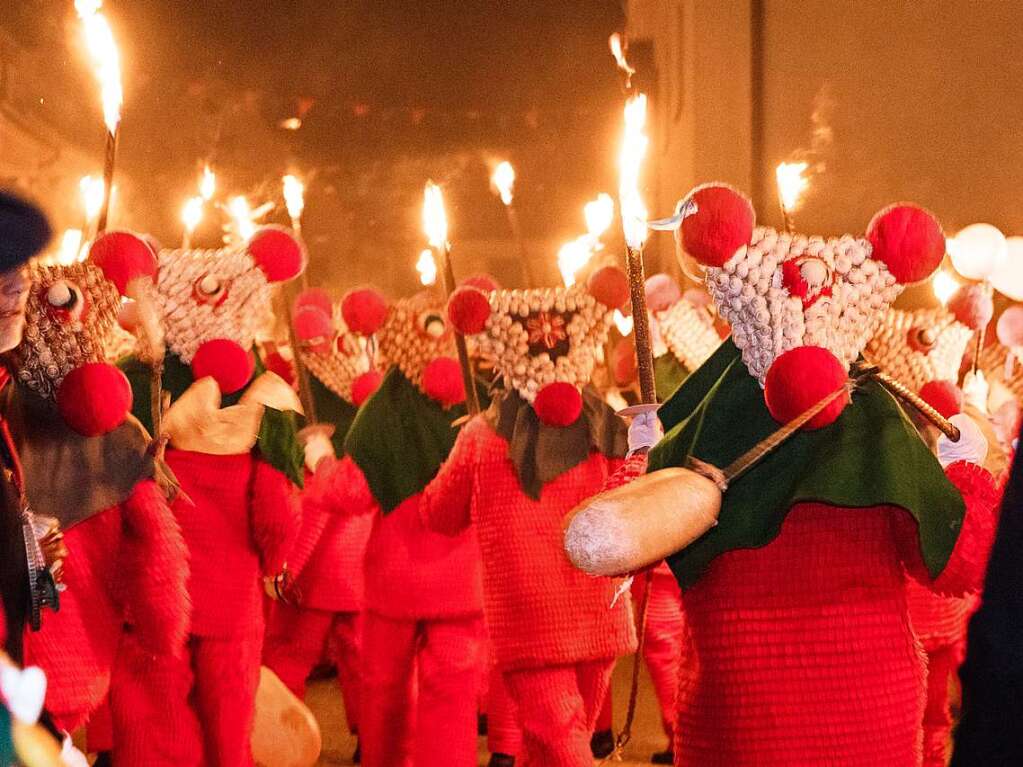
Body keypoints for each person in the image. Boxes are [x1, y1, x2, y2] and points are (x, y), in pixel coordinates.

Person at [570, 184, 1002, 767]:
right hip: (868, 714)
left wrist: (645, 458)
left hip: (742, 718)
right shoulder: (880, 429)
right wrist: (965, 466)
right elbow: (959, 561)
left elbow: (615, 542)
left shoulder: (710, 425)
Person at [418, 268, 637, 767]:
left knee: (559, 740)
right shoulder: (610, 427)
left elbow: (441, 514)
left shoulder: (480, 434)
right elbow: (636, 501)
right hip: (599, 607)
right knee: (561, 736)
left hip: (527, 616)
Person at [115, 228, 306, 766]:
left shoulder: (134, 382)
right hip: (232, 596)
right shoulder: (262, 391)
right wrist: (275, 559)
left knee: (157, 719)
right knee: (229, 720)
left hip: (155, 591)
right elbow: (275, 505)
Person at [303, 290, 485, 767]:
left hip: (395, 581)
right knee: (453, 697)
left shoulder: (381, 412)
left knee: (384, 691)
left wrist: (319, 459)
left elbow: (350, 494)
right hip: (464, 580)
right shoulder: (481, 408)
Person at [262, 287, 386, 764]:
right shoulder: (363, 408)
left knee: (290, 655)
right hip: (360, 569)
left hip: (318, 573)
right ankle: (372, 742)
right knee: (360, 660)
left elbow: (310, 511)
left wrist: (285, 566)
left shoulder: (300, 416)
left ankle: (282, 741)